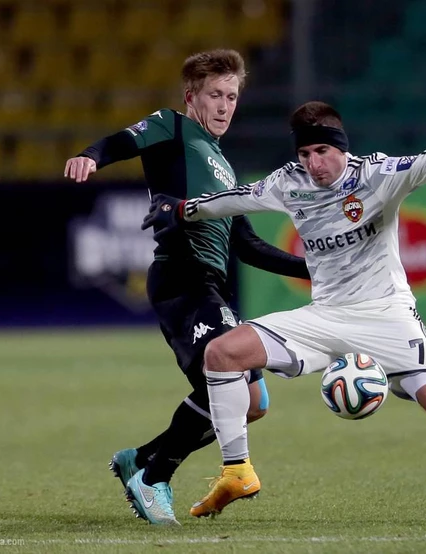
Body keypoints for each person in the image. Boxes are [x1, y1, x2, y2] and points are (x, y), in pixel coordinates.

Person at [142, 101, 426, 526]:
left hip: (385, 315)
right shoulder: (290, 182)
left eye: (321, 151)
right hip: (325, 315)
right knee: (222, 354)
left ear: (341, 147)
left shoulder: (376, 176)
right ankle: (237, 471)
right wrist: (183, 209)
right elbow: (236, 199)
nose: (313, 163)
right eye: (305, 153)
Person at [64, 49, 309, 525]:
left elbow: (247, 245)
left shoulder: (224, 167)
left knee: (254, 403)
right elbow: (122, 141)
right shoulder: (173, 127)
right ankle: (154, 477)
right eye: (215, 95)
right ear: (191, 96)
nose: (224, 106)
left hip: (210, 286)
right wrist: (90, 156)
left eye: (232, 96)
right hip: (182, 276)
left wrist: (311, 268)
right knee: (227, 383)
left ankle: (140, 459)